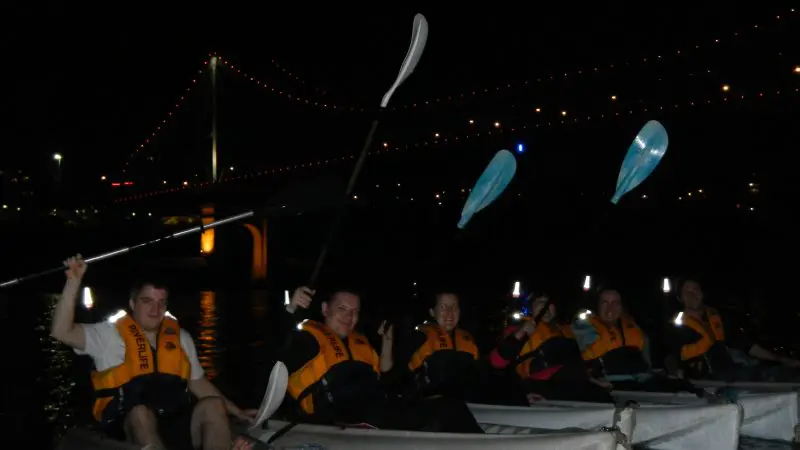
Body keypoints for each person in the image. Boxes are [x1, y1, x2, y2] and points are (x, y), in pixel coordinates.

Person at [50, 255, 257, 450]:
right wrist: (73, 282)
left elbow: (198, 382)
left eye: (161, 303)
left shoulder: (180, 337)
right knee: (141, 413)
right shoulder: (108, 335)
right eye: (147, 301)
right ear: (133, 303)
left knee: (213, 405)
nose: (155, 309)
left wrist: (236, 411)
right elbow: (61, 331)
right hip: (128, 429)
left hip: (175, 424)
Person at [282, 286, 483, 433]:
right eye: (342, 308)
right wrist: (289, 310)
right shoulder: (307, 339)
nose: (349, 316)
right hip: (336, 418)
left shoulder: (360, 342)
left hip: (373, 411)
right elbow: (278, 351)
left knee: (449, 407)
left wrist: (387, 342)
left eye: (355, 311)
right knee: (446, 410)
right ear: (325, 309)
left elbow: (385, 375)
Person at [489, 291, 612, 404]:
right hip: (534, 384)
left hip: (566, 382)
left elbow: (575, 363)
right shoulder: (517, 329)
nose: (546, 307)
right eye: (540, 302)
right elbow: (496, 361)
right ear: (531, 308)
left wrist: (590, 378)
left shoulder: (565, 332)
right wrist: (520, 333)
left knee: (601, 395)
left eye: (550, 303)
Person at [572, 287, 701, 394]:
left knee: (681, 385)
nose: (610, 308)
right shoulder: (584, 327)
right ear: (597, 306)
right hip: (611, 383)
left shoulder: (633, 328)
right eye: (604, 303)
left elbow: (648, 361)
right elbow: (577, 359)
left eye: (615, 303)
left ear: (621, 307)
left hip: (641, 380)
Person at [669, 278, 800, 382]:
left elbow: (747, 345)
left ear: (702, 293)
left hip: (732, 374)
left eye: (696, 289)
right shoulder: (675, 327)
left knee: (779, 371)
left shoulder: (717, 318)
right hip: (703, 380)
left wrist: (780, 359)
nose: (693, 294)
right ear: (680, 298)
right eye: (688, 291)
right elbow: (669, 357)